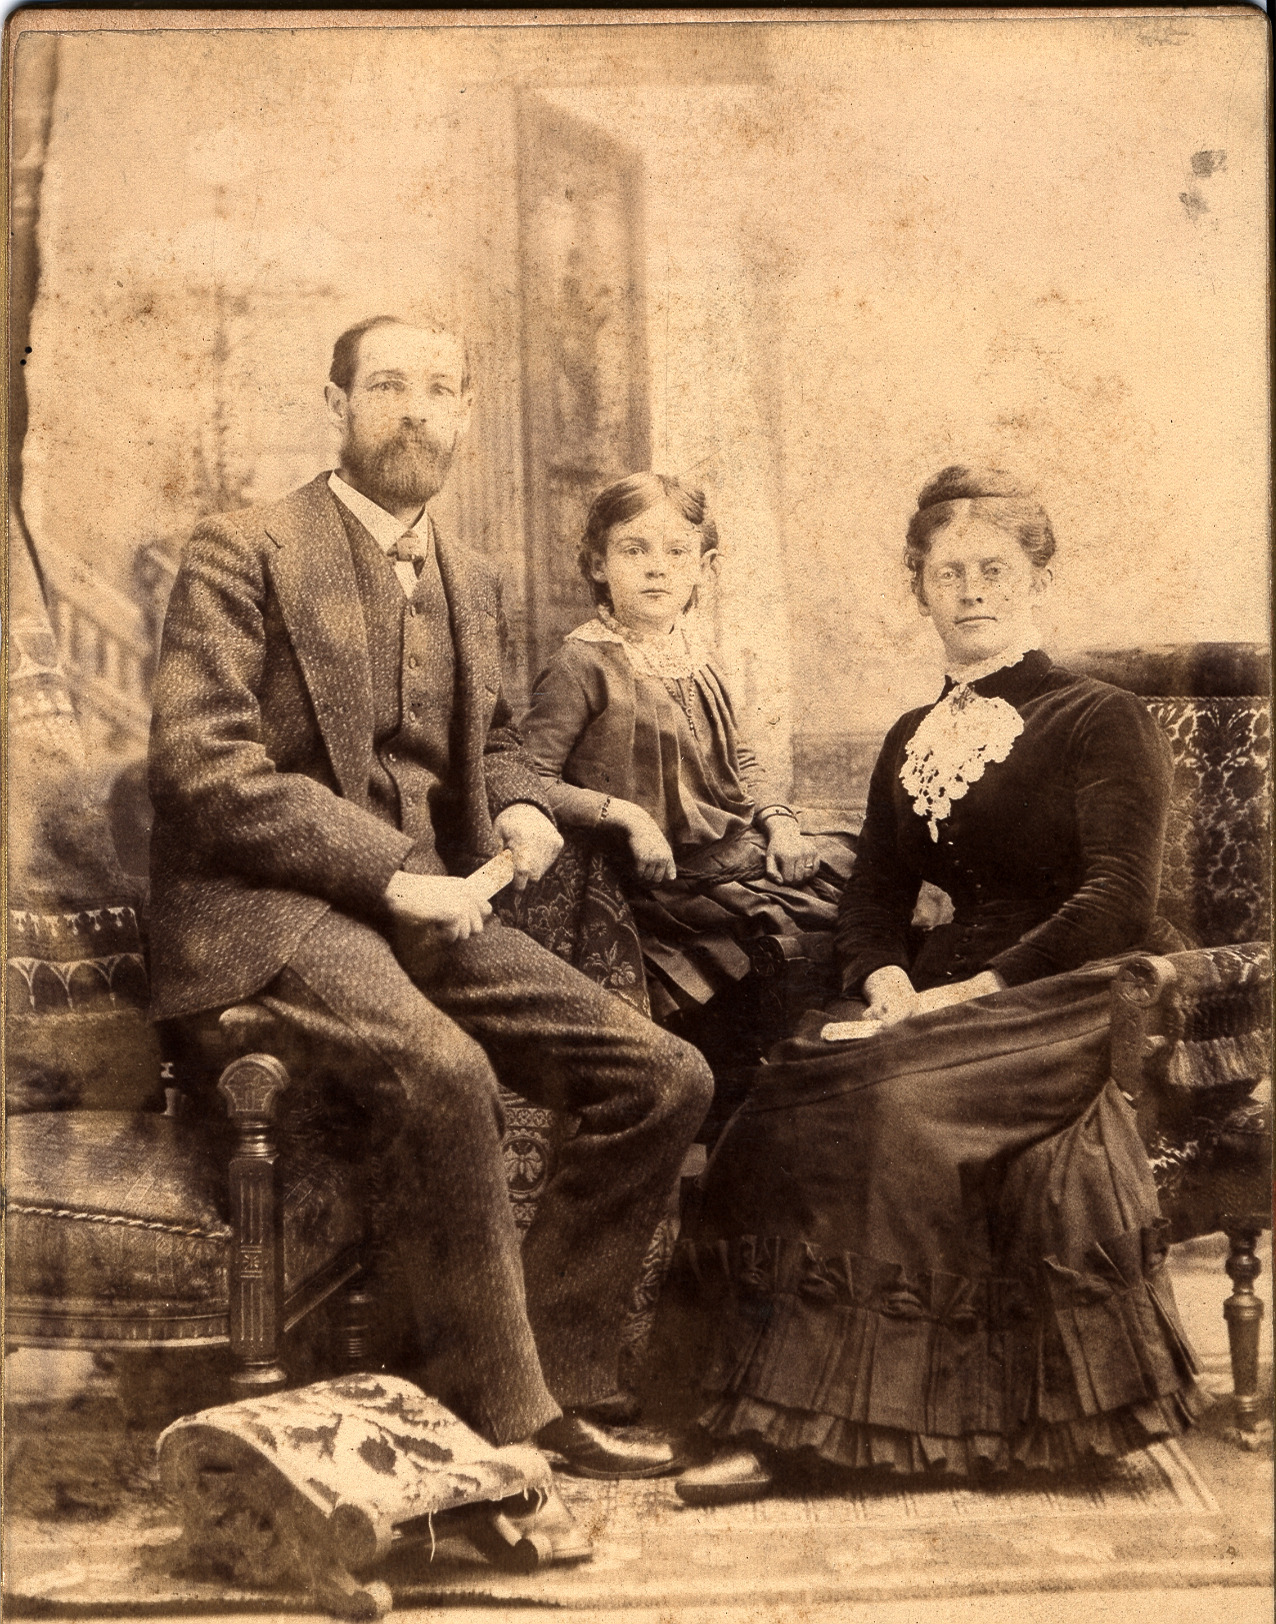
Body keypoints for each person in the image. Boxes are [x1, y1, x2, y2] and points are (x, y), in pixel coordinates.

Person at [147, 313, 714, 1562]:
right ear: (337, 404)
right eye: (388, 385)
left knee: (663, 1075)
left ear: (464, 411)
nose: (416, 410)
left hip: (426, 907)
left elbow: (496, 744)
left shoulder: (476, 576)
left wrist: (517, 804)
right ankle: (506, 1425)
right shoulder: (244, 550)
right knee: (445, 1069)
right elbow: (203, 770)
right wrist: (394, 874)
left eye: (441, 389)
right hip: (267, 912)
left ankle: (546, 1375)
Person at [673, 465, 1203, 1505]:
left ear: (1038, 577)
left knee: (887, 1108)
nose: (972, 590)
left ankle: (831, 1430)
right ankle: (748, 1405)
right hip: (938, 990)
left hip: (1073, 989)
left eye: (994, 568)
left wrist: (978, 989)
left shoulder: (1099, 717)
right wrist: (881, 976)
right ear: (916, 586)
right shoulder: (909, 737)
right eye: (948, 572)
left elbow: (1116, 897)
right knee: (784, 1094)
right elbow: (873, 892)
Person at [515, 473, 853, 1024]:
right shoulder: (581, 663)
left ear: (704, 567)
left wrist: (781, 825)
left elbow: (740, 760)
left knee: (855, 874)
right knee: (788, 925)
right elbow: (529, 781)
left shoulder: (699, 654)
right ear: (599, 564)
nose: (658, 567)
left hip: (730, 850)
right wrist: (627, 816)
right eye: (634, 550)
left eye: (677, 551)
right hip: (659, 879)